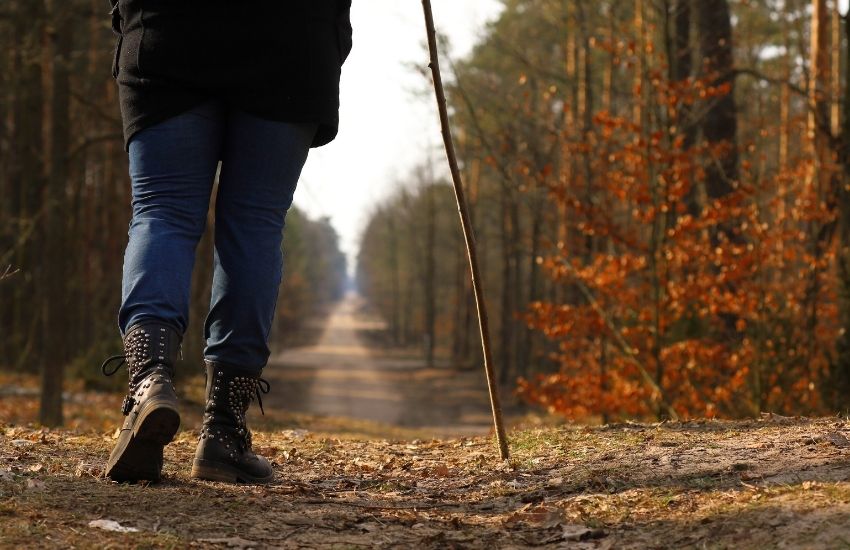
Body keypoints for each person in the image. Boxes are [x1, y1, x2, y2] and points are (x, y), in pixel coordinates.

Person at [100, 0, 352, 484]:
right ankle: (224, 431)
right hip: (291, 38)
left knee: (163, 212)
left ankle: (149, 381)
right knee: (255, 224)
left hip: (168, 32)